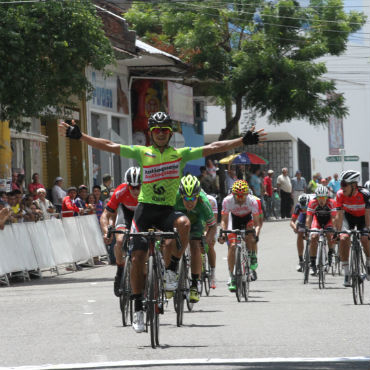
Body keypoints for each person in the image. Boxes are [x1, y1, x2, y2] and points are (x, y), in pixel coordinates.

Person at [59, 111, 266, 333]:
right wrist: (81, 137)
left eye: (164, 130)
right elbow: (109, 144)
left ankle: (172, 269)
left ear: (169, 133)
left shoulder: (179, 154)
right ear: (151, 133)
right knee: (138, 257)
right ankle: (138, 307)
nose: (159, 134)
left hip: (167, 211)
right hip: (145, 211)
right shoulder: (142, 152)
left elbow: (214, 147)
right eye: (155, 130)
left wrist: (242, 140)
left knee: (184, 224)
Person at [173, 175, 217, 303]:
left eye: (193, 198)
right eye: (186, 198)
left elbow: (213, 227)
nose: (190, 201)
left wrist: (206, 241)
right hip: (179, 220)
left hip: (197, 222)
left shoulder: (204, 202)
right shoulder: (175, 199)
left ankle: (194, 284)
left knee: (195, 245)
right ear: (181, 196)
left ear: (198, 196)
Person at [100, 167, 141, 297]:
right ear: (127, 185)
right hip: (126, 214)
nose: (135, 190)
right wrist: (106, 231)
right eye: (132, 187)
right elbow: (105, 215)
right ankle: (120, 270)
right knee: (119, 240)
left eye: (138, 187)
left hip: (142, 214)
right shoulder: (121, 191)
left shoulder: (149, 190)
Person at [218, 180, 260, 291]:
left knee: (250, 233)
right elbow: (224, 220)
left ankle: (252, 255)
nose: (240, 198)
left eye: (243, 195)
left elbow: (257, 222)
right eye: (238, 195)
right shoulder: (227, 201)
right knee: (232, 246)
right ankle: (232, 277)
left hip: (248, 219)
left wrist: (256, 235)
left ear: (247, 194)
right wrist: (222, 232)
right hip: (234, 219)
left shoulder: (252, 201)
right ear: (233, 194)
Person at [334, 170, 370, 287]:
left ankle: (368, 262)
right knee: (344, 238)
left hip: (363, 219)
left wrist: (368, 230)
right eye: (341, 184)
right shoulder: (340, 194)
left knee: (365, 239)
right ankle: (347, 273)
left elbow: (368, 214)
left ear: (354, 185)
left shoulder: (365, 194)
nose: (342, 187)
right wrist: (337, 232)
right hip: (348, 218)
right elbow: (339, 215)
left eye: (344, 184)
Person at [305, 186, 336, 275]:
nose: (321, 200)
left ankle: (330, 253)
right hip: (317, 221)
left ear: (327, 197)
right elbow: (309, 217)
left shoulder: (332, 203)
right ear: (316, 197)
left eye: (324, 197)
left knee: (330, 234)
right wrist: (307, 228)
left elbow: (334, 218)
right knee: (314, 237)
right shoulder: (312, 203)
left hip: (328, 221)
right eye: (319, 198)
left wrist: (334, 230)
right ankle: (313, 264)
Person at [290, 193, 310, 272]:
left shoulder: (311, 204)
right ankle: (301, 259)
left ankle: (313, 259)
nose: (304, 209)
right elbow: (292, 222)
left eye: (305, 207)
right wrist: (295, 228)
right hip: (302, 219)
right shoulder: (298, 206)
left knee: (312, 235)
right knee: (299, 234)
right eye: (302, 207)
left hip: (311, 216)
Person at [205, 192, 218, 289]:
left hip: (209, 224)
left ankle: (212, 272)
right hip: (196, 222)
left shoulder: (211, 200)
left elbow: (213, 220)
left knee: (209, 244)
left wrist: (206, 233)